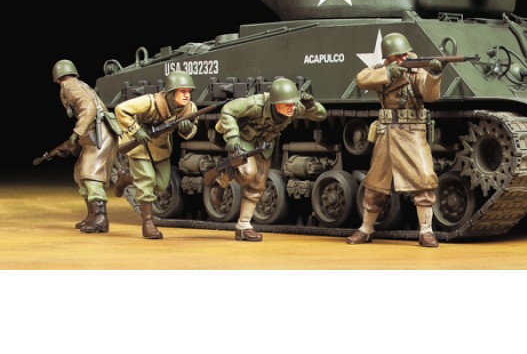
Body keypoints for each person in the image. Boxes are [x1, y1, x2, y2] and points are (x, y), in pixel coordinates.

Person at [348, 32, 445, 248]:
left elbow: (430, 95)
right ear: (389, 58)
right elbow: (361, 79)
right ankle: (366, 228)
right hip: (386, 134)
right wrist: (388, 73)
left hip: (412, 133)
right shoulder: (383, 71)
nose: (402, 59)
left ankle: (426, 231)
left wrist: (435, 75)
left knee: (424, 181)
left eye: (404, 55)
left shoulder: (416, 72)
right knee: (375, 184)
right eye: (397, 57)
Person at [211, 77, 327, 241]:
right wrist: (233, 137)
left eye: (293, 104)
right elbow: (228, 110)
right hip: (244, 139)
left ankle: (243, 227)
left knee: (258, 185)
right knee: (247, 172)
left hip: (264, 144)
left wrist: (311, 105)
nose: (292, 107)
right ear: (275, 103)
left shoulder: (294, 108)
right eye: (287, 104)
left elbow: (321, 115)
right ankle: (222, 178)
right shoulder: (256, 104)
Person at [114, 71, 198, 240]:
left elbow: (192, 128)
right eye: (182, 91)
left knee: (161, 184)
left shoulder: (189, 108)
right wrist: (136, 130)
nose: (187, 95)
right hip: (139, 143)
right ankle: (148, 223)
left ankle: (126, 178)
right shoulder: (150, 102)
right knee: (147, 180)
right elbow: (120, 109)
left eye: (189, 91)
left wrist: (187, 128)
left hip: (160, 146)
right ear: (171, 92)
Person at [52, 59, 120, 233]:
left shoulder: (70, 86)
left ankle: (101, 218)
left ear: (58, 78)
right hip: (95, 133)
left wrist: (76, 134)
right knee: (80, 172)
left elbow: (89, 108)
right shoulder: (79, 84)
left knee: (90, 173)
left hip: (100, 132)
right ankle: (92, 215)